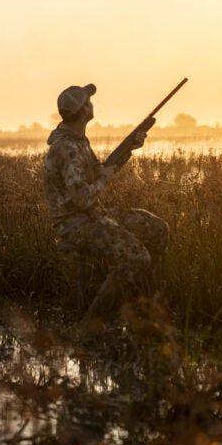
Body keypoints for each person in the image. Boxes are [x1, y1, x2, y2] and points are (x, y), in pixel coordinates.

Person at [43, 84, 170, 333]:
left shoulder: (79, 140)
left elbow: (99, 172)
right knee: (136, 256)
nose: (92, 104)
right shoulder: (66, 148)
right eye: (88, 102)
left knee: (158, 229)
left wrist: (129, 149)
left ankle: (148, 309)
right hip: (76, 225)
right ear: (83, 111)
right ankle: (91, 324)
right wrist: (104, 179)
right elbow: (83, 197)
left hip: (93, 216)